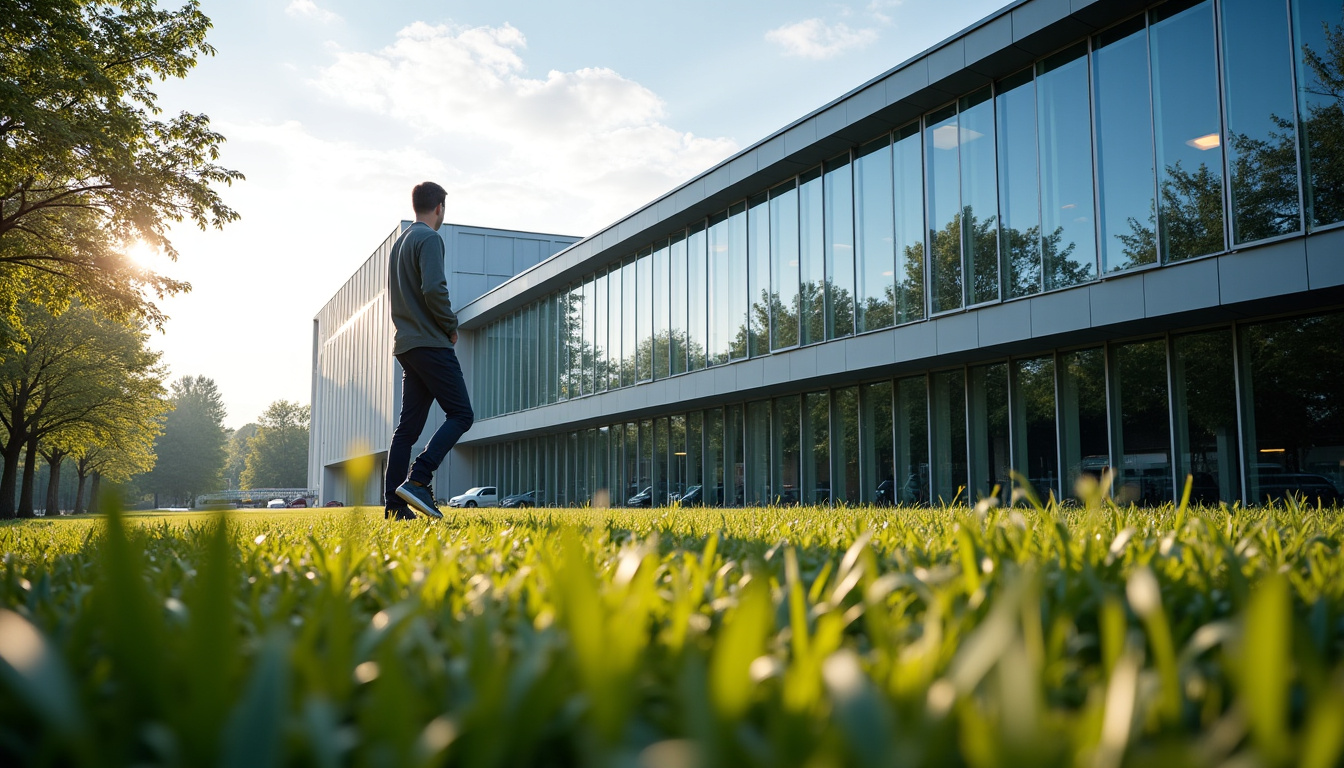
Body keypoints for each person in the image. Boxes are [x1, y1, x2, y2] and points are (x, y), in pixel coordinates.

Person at [383, 181, 474, 520]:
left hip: (407, 345)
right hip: (431, 344)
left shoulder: (400, 243)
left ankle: (394, 507)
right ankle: (419, 479)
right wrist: (450, 325)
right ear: (439, 208)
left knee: (406, 429)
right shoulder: (430, 238)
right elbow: (434, 289)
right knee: (462, 414)